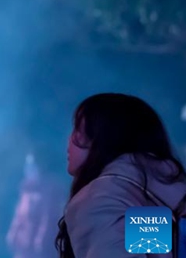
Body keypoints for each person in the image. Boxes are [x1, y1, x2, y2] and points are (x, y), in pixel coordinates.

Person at [56, 93, 186, 258]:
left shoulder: (102, 200)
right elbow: (159, 251)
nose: (69, 140)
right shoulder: (160, 195)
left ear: (103, 138)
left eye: (78, 131)